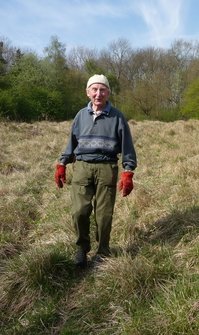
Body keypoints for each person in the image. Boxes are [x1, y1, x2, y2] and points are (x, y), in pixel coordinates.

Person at [55, 74, 137, 267]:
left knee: (104, 214)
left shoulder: (118, 117)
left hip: (107, 167)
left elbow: (127, 146)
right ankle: (82, 249)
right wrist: (62, 163)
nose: (98, 94)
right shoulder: (80, 115)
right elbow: (72, 142)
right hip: (82, 167)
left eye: (102, 90)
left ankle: (102, 251)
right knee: (79, 211)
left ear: (108, 92)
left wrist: (128, 171)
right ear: (88, 92)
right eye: (94, 89)